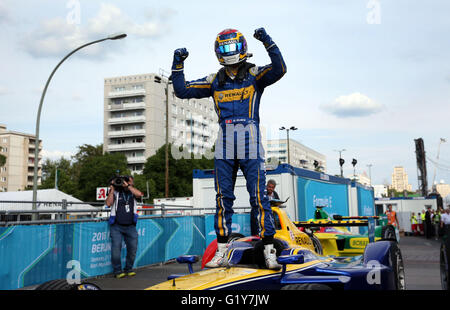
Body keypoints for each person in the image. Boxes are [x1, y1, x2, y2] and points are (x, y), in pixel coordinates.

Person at [171, 27, 287, 270]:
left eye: (232, 47)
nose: (229, 52)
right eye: (224, 48)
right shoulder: (215, 80)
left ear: (243, 48)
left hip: (249, 138)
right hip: (224, 141)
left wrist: (267, 40)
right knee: (223, 198)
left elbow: (280, 69)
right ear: (217, 52)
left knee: (259, 197)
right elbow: (181, 91)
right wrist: (177, 64)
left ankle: (269, 250)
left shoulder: (254, 74)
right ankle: (222, 250)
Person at [106, 175, 143, 278]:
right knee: (116, 249)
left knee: (133, 249)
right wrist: (112, 189)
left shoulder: (132, 192)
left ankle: (128, 269)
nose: (125, 183)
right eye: (124, 181)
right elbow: (108, 204)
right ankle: (117, 271)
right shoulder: (116, 191)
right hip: (116, 226)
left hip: (131, 226)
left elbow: (140, 194)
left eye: (129, 181)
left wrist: (128, 187)